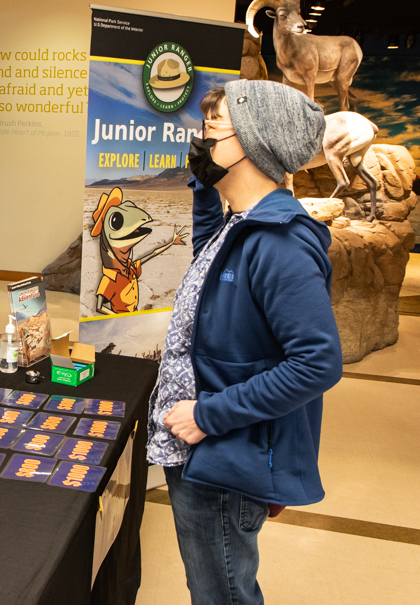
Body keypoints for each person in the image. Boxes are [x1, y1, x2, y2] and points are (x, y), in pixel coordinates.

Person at [146, 79, 343, 604]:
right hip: (205, 447)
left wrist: (208, 415)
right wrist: (206, 186)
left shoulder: (280, 243)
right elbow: (212, 255)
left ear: (256, 142)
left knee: (222, 594)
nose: (201, 139)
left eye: (214, 128)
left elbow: (317, 362)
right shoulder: (241, 224)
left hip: (223, 450)